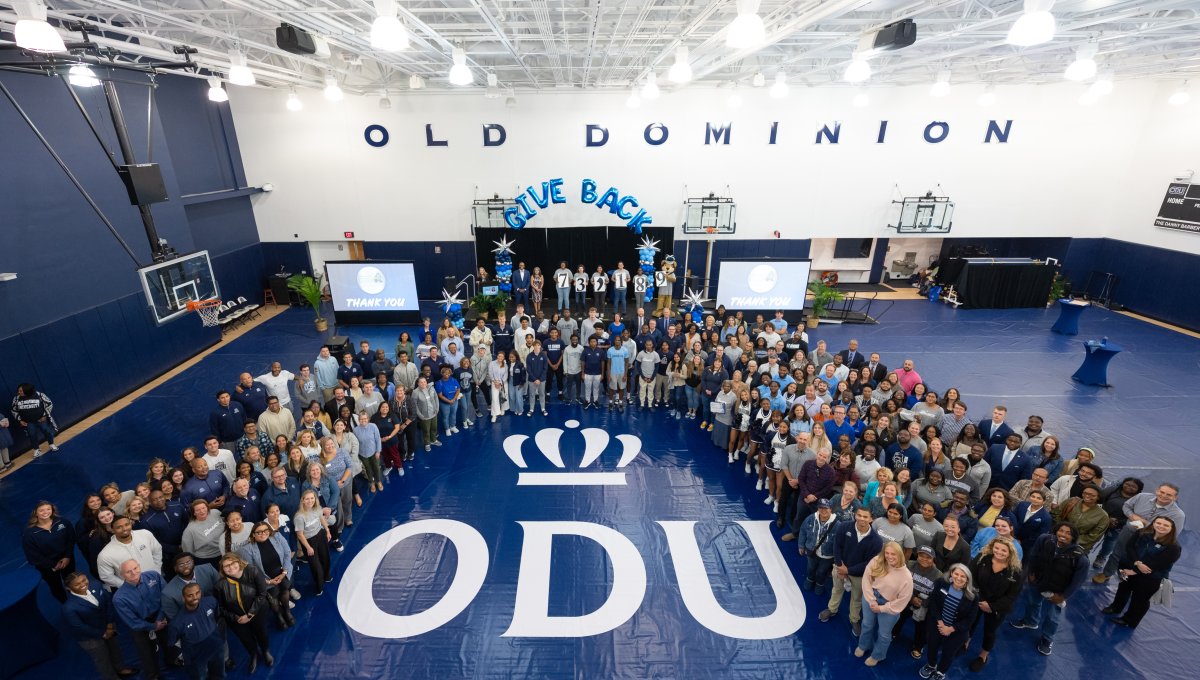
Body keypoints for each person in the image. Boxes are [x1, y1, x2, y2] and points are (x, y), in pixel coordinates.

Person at [1008, 522, 1089, 656]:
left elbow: (1077, 581)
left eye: (1068, 533)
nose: (1063, 535)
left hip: (1058, 590)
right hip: (1039, 582)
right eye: (1061, 531)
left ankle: (1047, 639)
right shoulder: (1045, 539)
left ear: (1074, 537)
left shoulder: (1080, 557)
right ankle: (1030, 621)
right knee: (1033, 603)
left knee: (1053, 616)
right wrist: (1031, 573)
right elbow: (1034, 556)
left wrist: (1063, 596)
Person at [1096, 483, 1185, 584]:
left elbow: (1173, 533)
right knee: (1117, 552)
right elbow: (1126, 506)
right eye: (1162, 492)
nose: (1164, 496)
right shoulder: (1141, 497)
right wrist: (1132, 516)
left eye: (1169, 495)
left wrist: (1146, 524)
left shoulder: (1178, 515)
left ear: (1175, 497)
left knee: (1140, 560)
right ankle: (1107, 574)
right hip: (1129, 531)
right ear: (1157, 491)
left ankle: (1131, 579)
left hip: (1149, 540)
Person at [1102, 516, 1182, 628]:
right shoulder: (1141, 533)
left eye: (1166, 525)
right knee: (1123, 589)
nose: (1161, 526)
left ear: (1172, 529)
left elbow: (1159, 563)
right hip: (1130, 568)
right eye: (1158, 523)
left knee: (1140, 599)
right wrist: (1137, 563)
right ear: (1153, 523)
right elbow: (1130, 547)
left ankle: (1129, 620)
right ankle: (1115, 608)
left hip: (1150, 577)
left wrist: (1134, 571)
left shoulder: (1174, 547)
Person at [819, 507, 884, 636]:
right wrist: (839, 566)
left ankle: (854, 619)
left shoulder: (876, 541)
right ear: (855, 515)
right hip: (839, 568)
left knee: (857, 597)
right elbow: (837, 546)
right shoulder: (844, 527)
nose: (861, 519)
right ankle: (832, 609)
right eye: (859, 515)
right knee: (837, 589)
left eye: (865, 516)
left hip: (860, 575)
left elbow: (869, 563)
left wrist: (848, 570)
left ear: (871, 519)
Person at [62, 571, 136, 680]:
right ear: (68, 588)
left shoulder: (96, 585)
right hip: (90, 637)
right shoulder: (69, 607)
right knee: (102, 660)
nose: (83, 584)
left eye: (84, 580)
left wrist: (109, 625)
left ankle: (120, 668)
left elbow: (108, 603)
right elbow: (80, 627)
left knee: (115, 650)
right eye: (77, 584)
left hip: (108, 626)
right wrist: (103, 633)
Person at [965, 536, 1024, 671]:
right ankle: (965, 641)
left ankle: (983, 656)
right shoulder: (982, 558)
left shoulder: (1016, 572)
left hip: (998, 607)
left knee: (990, 631)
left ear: (1010, 553)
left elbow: (1011, 596)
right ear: (992, 547)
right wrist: (980, 600)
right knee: (970, 622)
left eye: (1003, 550)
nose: (999, 552)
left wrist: (992, 606)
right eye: (996, 548)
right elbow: (971, 577)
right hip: (978, 599)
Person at [854, 542, 913, 666]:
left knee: (884, 634)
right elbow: (866, 580)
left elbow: (902, 601)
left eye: (893, 554)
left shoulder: (906, 576)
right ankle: (863, 646)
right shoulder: (876, 560)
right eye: (887, 553)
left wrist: (881, 608)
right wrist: (871, 600)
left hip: (890, 605)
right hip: (871, 597)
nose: (889, 556)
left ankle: (878, 655)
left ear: (900, 554)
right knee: (866, 624)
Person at [215, 553, 274, 673]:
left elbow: (262, 593)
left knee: (261, 632)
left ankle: (265, 651)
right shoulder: (219, 585)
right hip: (237, 619)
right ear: (222, 569)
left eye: (233, 563)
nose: (230, 567)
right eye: (226, 566)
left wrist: (250, 614)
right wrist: (235, 618)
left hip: (258, 611)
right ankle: (253, 655)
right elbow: (220, 607)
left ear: (239, 562)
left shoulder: (252, 571)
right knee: (245, 638)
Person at [919, 563, 979, 680]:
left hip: (957, 631)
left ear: (967, 579)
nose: (958, 578)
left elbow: (970, 619)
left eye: (963, 576)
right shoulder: (941, 583)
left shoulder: (973, 596)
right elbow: (933, 603)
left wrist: (951, 629)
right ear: (951, 573)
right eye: (956, 574)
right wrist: (940, 622)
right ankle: (931, 665)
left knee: (948, 653)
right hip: (937, 624)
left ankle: (941, 671)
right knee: (932, 646)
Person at [112, 560, 167, 680]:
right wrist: (154, 626)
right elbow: (132, 622)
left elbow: (166, 596)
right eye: (128, 571)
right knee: (146, 653)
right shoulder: (119, 598)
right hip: (141, 625)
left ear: (139, 567)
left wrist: (160, 618)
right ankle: (153, 676)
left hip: (161, 614)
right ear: (122, 575)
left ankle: (172, 659)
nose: (133, 573)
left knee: (169, 640)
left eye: (135, 568)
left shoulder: (153, 576)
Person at [239, 522, 296, 629]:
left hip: (282, 573)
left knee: (285, 591)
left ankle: (287, 611)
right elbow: (251, 571)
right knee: (273, 599)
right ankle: (279, 616)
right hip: (265, 580)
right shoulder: (247, 549)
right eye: (259, 532)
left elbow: (287, 553)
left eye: (266, 530)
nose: (263, 533)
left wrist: (284, 572)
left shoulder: (277, 537)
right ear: (253, 534)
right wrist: (268, 582)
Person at [892, 545, 942, 661]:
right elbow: (900, 583)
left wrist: (924, 603)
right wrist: (911, 598)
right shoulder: (909, 565)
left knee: (922, 627)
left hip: (924, 604)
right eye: (921, 556)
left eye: (928, 557)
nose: (924, 559)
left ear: (933, 559)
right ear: (917, 556)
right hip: (906, 597)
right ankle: (893, 632)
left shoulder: (938, 575)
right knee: (899, 616)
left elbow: (937, 596)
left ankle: (918, 646)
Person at [167, 582, 226, 680]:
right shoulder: (177, 623)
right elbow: (171, 643)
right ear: (183, 598)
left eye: (197, 593)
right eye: (190, 595)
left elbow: (217, 617)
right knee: (199, 677)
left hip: (216, 648)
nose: (195, 597)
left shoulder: (211, 601)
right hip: (196, 657)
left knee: (219, 674)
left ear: (201, 593)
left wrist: (219, 641)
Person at [22, 500, 76, 601]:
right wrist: (52, 565)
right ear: (36, 513)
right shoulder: (29, 533)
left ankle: (78, 600)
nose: (45, 512)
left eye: (48, 509)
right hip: (47, 567)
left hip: (67, 560)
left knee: (72, 581)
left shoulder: (63, 522)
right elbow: (32, 555)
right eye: (41, 510)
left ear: (52, 510)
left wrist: (67, 556)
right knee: (56, 587)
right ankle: (65, 603)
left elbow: (71, 539)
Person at [97, 516, 163, 590]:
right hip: (135, 590)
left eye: (127, 524)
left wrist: (157, 571)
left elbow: (157, 550)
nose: (124, 529)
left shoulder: (145, 534)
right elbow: (106, 576)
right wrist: (128, 586)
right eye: (119, 527)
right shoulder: (105, 554)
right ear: (112, 530)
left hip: (156, 579)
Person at [294, 489, 333, 595]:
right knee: (315, 565)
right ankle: (319, 586)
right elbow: (300, 535)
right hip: (309, 541)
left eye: (312, 498)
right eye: (307, 499)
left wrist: (327, 530)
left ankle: (326, 576)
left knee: (325, 557)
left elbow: (321, 518)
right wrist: (308, 547)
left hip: (320, 535)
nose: (310, 501)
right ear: (303, 500)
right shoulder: (299, 517)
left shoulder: (317, 508)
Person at [797, 499, 839, 593]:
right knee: (810, 567)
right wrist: (801, 545)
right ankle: (810, 579)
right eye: (821, 508)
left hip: (828, 555)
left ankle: (820, 583)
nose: (823, 510)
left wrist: (837, 559)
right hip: (811, 550)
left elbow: (839, 543)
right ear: (818, 508)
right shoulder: (810, 518)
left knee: (822, 571)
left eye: (826, 508)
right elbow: (803, 531)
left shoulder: (838, 525)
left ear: (831, 509)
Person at [11, 383, 58, 456]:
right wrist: (20, 420)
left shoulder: (39, 395)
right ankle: (36, 449)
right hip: (28, 422)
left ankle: (51, 444)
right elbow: (14, 410)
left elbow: (49, 404)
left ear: (27, 390)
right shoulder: (16, 399)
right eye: (18, 390)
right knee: (32, 435)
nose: (19, 392)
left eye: (21, 391)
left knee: (47, 431)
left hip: (41, 419)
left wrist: (44, 415)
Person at [412, 376, 440, 452]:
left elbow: (436, 398)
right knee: (426, 431)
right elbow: (414, 405)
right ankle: (427, 443)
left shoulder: (431, 388)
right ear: (418, 383)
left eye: (424, 382)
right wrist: (420, 415)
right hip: (424, 416)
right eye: (421, 382)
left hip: (433, 413)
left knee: (434, 428)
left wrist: (437, 408)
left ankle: (433, 440)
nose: (423, 383)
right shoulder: (415, 392)